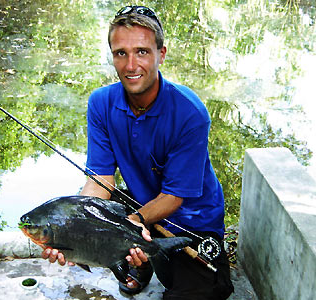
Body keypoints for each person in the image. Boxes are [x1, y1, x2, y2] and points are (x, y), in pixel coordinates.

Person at [42, 5, 234, 299]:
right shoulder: (100, 103)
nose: (131, 65)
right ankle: (137, 263)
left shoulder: (190, 112)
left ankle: (144, 255)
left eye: (142, 52)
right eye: (121, 53)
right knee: (87, 211)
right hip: (139, 208)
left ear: (162, 54)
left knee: (203, 290)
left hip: (192, 222)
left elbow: (174, 196)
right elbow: (101, 180)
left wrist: (132, 223)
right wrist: (77, 228)